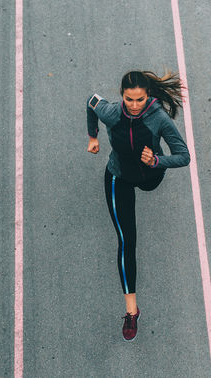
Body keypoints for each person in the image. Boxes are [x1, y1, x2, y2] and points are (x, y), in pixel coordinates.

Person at [85, 70, 191, 340]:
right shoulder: (111, 112)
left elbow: (183, 156)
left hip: (149, 177)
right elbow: (91, 102)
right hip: (118, 176)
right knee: (126, 240)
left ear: (148, 97)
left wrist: (157, 161)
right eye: (129, 99)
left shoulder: (159, 119)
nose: (134, 105)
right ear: (121, 96)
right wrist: (93, 136)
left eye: (140, 100)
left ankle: (149, 171)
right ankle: (132, 311)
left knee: (148, 185)